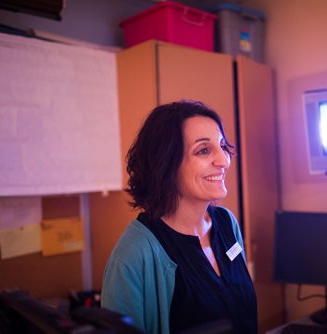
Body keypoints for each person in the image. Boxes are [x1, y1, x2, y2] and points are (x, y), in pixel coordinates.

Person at [101, 100, 257, 334]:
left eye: (222, 146)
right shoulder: (134, 253)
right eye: (204, 150)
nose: (224, 160)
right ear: (166, 164)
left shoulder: (226, 223)